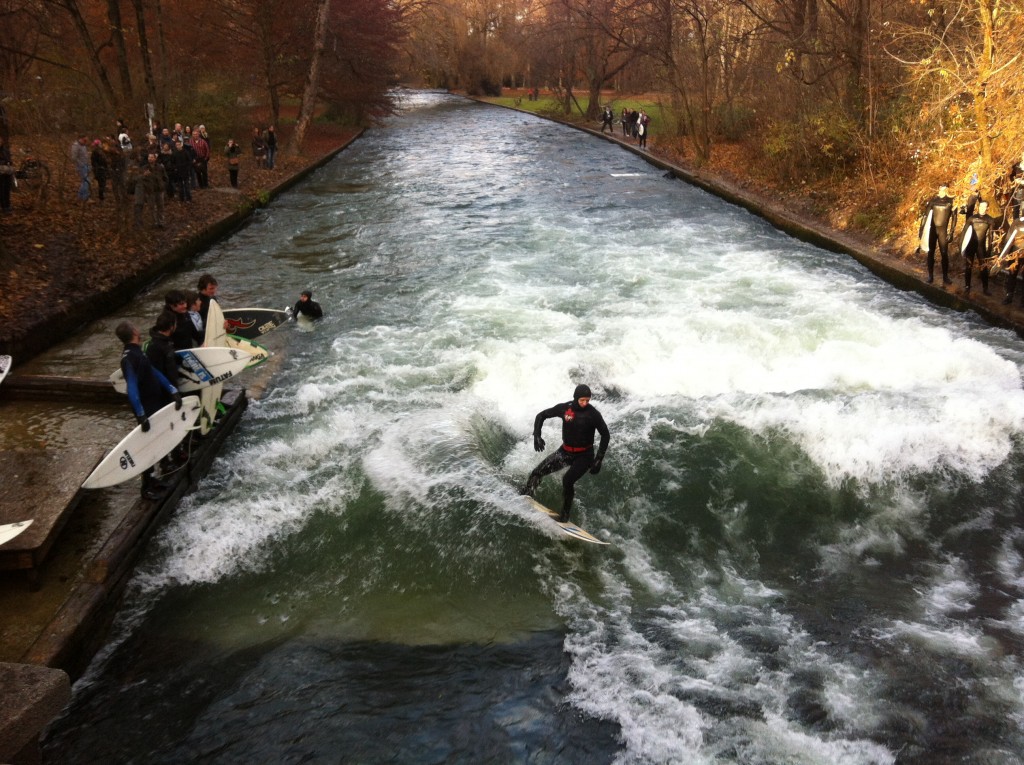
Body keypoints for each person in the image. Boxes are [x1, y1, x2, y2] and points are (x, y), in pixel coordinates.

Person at [520, 384, 610, 522]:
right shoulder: (564, 408)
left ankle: (565, 515)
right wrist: (537, 435)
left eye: (588, 400)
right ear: (575, 398)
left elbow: (605, 435)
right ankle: (527, 495)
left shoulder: (593, 414)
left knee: (567, 480)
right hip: (565, 452)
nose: (585, 403)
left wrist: (599, 458)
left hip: (584, 456)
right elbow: (541, 415)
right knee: (537, 472)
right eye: (582, 400)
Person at [115, 321, 182, 500]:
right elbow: (132, 387)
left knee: (158, 440)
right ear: (135, 331)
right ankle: (146, 487)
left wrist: (171, 389)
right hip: (146, 407)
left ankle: (155, 476)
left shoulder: (138, 352)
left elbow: (153, 372)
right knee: (147, 445)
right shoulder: (129, 357)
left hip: (155, 402)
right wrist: (140, 413)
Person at [919, 184, 957, 285]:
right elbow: (925, 216)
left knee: (944, 253)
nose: (942, 191)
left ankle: (945, 277)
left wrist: (952, 231)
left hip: (943, 231)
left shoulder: (951, 201)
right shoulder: (933, 201)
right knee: (930, 253)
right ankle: (930, 276)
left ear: (947, 190)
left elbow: (954, 217)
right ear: (938, 189)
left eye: (944, 189)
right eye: (940, 189)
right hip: (932, 230)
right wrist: (921, 230)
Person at [960, 200, 996, 295]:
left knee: (983, 267)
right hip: (970, 245)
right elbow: (964, 232)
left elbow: (990, 236)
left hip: (981, 247)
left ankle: (985, 288)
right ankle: (967, 286)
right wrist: (961, 245)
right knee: (968, 266)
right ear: (978, 207)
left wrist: (989, 249)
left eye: (984, 206)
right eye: (980, 206)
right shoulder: (972, 218)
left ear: (987, 208)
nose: (982, 208)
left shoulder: (990, 220)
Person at [999, 212, 1024, 305]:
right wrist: (1004, 254)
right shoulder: (1017, 222)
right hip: (1015, 253)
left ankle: (1023, 300)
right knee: (1012, 275)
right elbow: (1009, 238)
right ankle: (1009, 296)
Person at [71, 134, 90, 202]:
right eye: (84, 140)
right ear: (80, 139)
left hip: (86, 165)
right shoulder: (76, 146)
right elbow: (74, 158)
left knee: (85, 181)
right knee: (86, 182)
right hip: (81, 166)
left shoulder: (83, 146)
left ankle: (81, 196)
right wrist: (81, 164)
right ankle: (83, 197)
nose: (85, 142)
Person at [0, 135, 12, 213]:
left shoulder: (5, 150)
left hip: (7, 173)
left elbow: (10, 160)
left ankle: (7, 205)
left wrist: (9, 162)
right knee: (1, 190)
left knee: (7, 189)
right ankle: (4, 207)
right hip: (0, 173)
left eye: (0, 141)